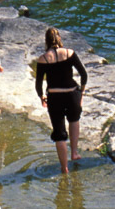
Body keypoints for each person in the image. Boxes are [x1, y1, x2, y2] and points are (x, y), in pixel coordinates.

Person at [34, 26, 88, 175]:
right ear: (59, 38)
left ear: (46, 41)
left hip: (55, 96)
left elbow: (38, 84)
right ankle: (74, 153)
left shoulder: (43, 59)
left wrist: (41, 96)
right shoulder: (70, 53)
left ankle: (64, 168)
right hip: (72, 94)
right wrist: (81, 92)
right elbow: (83, 74)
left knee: (59, 133)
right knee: (74, 120)